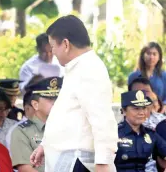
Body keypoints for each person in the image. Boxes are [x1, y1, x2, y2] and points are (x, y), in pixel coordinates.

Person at [30, 15, 118, 172]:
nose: (52, 52)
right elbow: (67, 114)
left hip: (77, 161)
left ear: (65, 44)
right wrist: (45, 144)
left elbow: (102, 121)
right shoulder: (76, 67)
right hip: (66, 159)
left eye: (52, 46)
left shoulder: (90, 69)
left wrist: (103, 163)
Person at [115, 90, 166, 172]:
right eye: (136, 108)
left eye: (144, 108)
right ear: (124, 111)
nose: (141, 112)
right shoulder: (115, 133)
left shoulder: (150, 134)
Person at [10, 76, 62, 172]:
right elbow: (25, 168)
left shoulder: (67, 128)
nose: (56, 103)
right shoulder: (22, 132)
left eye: (58, 99)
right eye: (50, 100)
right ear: (35, 105)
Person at [128, 77, 166, 172]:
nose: (142, 95)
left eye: (146, 91)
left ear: (153, 94)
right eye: (138, 92)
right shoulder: (124, 124)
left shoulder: (164, 121)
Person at [128, 42, 166, 114]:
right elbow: (129, 99)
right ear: (143, 55)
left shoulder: (165, 76)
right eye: (148, 53)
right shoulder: (133, 76)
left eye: (154, 54)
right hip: (138, 115)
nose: (151, 57)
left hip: (159, 115)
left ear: (159, 57)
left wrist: (160, 112)